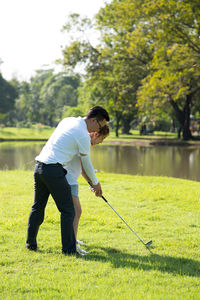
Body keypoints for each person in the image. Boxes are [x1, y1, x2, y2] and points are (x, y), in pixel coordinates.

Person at [26, 106, 110, 255]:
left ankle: (30, 244)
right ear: (93, 120)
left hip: (39, 166)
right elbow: (87, 164)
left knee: (38, 207)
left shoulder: (68, 120)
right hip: (53, 169)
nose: (99, 129)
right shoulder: (83, 135)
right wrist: (96, 183)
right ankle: (69, 251)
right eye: (100, 125)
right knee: (68, 211)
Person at [64, 125, 110, 254]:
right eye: (102, 138)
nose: (101, 142)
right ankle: (71, 245)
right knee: (76, 211)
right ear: (96, 134)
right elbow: (86, 166)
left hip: (71, 179)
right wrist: (96, 184)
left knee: (75, 211)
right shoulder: (84, 142)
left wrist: (91, 184)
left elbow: (83, 169)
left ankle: (73, 240)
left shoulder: (84, 143)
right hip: (67, 178)